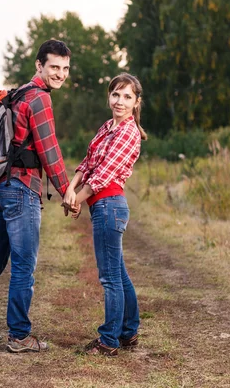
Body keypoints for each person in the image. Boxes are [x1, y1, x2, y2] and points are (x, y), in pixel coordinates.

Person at [0, 39, 72, 353]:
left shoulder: (15, 94)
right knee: (24, 264)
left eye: (65, 69)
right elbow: (49, 152)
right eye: (54, 67)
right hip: (21, 189)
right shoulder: (39, 99)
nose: (60, 74)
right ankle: (20, 336)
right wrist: (68, 193)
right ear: (39, 65)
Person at [63, 72, 147, 357]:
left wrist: (76, 200)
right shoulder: (107, 127)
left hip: (110, 205)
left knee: (110, 278)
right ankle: (128, 331)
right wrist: (70, 189)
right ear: (108, 96)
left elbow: (103, 174)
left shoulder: (128, 132)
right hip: (100, 205)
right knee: (118, 275)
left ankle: (109, 340)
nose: (119, 101)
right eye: (115, 95)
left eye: (127, 97)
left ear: (136, 103)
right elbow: (87, 163)